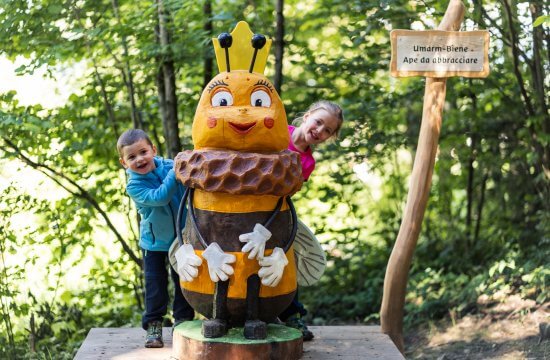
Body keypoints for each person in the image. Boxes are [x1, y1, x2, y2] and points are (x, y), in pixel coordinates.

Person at [117, 129, 194, 348]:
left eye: (143, 152)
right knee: (155, 285)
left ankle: (183, 321)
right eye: (132, 157)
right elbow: (160, 197)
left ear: (153, 150)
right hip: (154, 244)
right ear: (124, 163)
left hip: (181, 238)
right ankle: (154, 324)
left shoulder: (170, 165)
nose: (139, 159)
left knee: (183, 280)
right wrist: (175, 172)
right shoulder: (134, 185)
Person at [281, 100, 344, 341]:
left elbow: (291, 191)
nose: (319, 130)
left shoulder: (308, 162)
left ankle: (291, 314)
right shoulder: (277, 132)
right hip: (247, 203)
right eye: (318, 122)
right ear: (307, 117)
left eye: (327, 130)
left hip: (278, 208)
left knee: (288, 257)